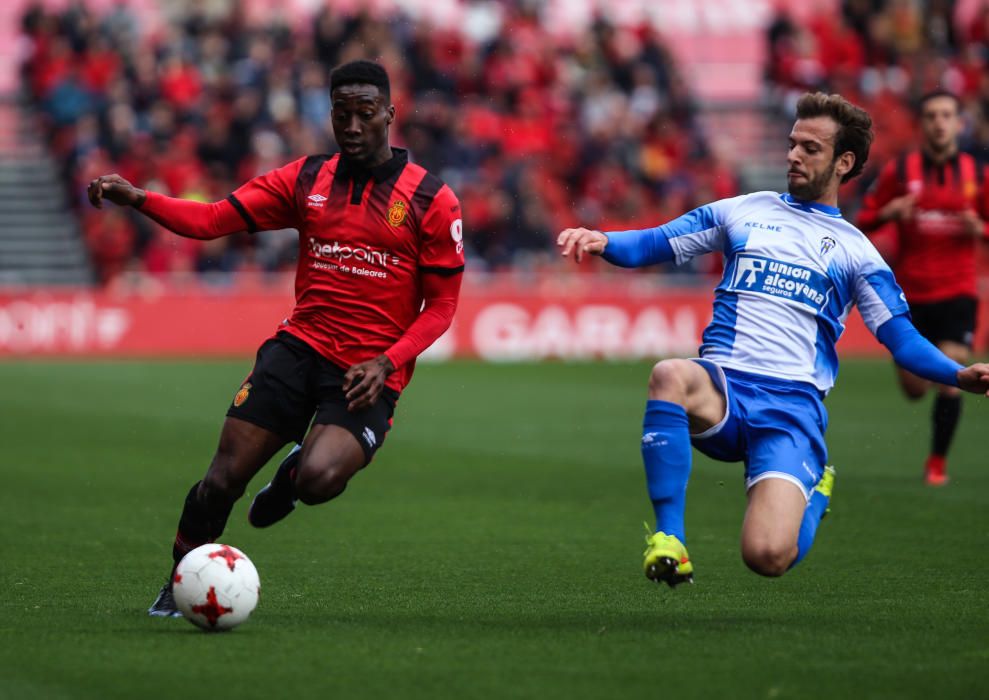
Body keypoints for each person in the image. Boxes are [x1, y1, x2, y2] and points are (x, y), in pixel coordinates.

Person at [557, 92, 989, 586]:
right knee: (669, 374)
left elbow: (901, 339)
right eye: (792, 144)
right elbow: (658, 241)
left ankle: (816, 489)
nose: (793, 155)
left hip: (791, 409)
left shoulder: (857, 253)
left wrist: (957, 374)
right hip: (725, 386)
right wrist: (603, 240)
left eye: (811, 148)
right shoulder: (744, 211)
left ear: (844, 162)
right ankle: (670, 538)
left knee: (766, 556)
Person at [86, 60, 465, 615]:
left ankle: (292, 476)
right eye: (342, 114)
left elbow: (444, 307)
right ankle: (178, 582)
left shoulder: (433, 200)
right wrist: (138, 197)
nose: (353, 126)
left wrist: (387, 362)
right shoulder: (306, 179)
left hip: (366, 374)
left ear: (390, 113)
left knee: (317, 479)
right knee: (220, 481)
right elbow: (212, 220)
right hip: (296, 350)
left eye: (365, 113)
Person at [857, 89, 989, 486]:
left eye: (947, 115)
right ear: (922, 123)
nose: (939, 122)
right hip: (910, 295)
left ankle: (936, 463)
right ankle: (927, 375)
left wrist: (980, 228)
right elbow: (860, 220)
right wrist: (888, 212)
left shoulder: (979, 175)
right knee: (915, 389)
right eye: (931, 115)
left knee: (952, 377)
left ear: (958, 122)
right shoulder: (900, 171)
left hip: (958, 292)